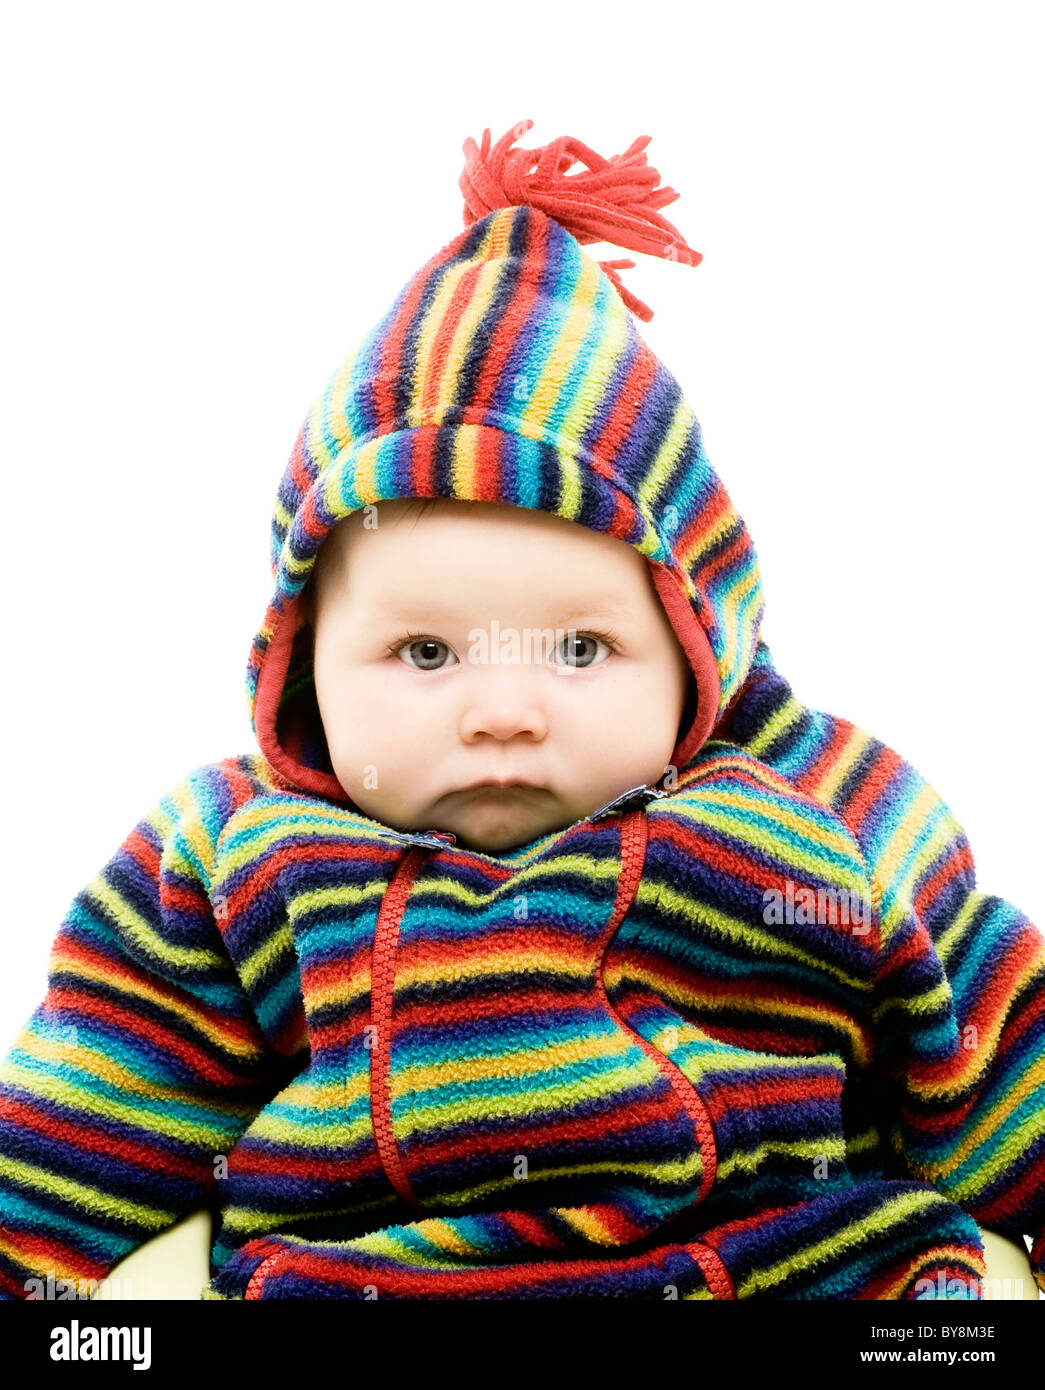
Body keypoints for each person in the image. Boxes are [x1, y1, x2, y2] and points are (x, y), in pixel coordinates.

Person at [0, 121, 1041, 1301]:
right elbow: (96, 1103)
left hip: (777, 1264)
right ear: (303, 665)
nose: (504, 708)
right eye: (425, 650)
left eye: (583, 648)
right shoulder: (233, 849)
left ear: (697, 648)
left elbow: (990, 1039)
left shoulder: (825, 808)